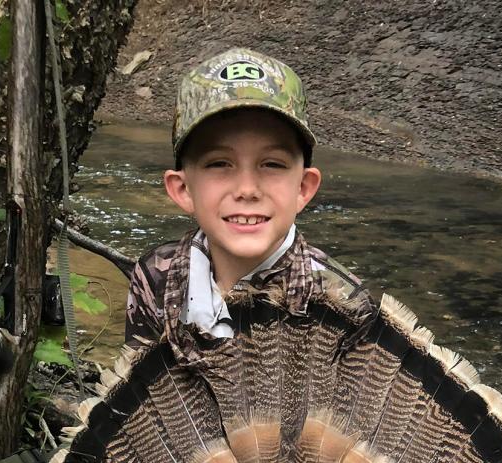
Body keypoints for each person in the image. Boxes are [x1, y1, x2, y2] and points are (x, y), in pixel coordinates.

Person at [124, 47, 374, 364]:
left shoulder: (345, 306)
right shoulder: (155, 276)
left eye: (271, 164)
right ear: (183, 189)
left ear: (303, 187)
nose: (247, 189)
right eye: (218, 164)